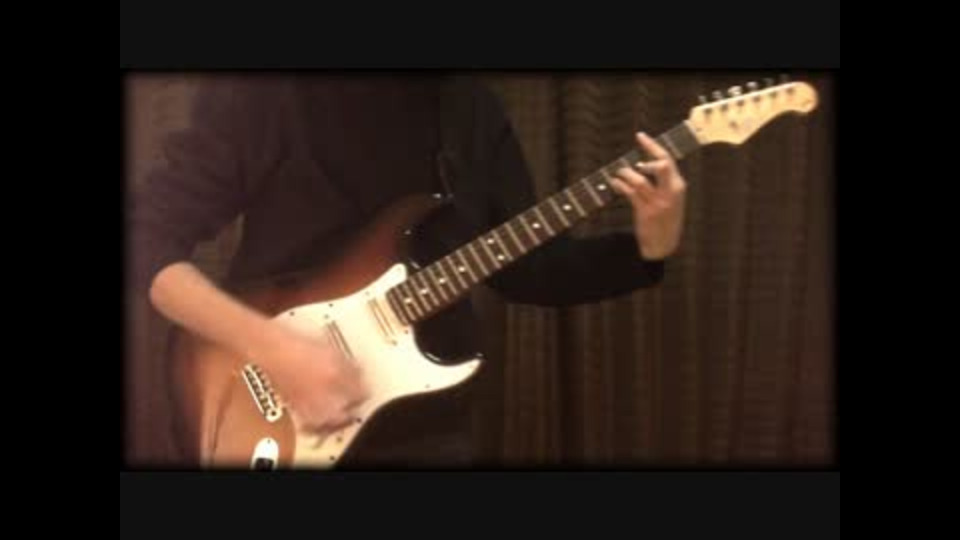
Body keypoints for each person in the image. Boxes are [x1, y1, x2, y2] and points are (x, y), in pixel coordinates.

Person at [129, 72, 688, 468]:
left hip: (425, 427)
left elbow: (528, 271)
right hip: (264, 404)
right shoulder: (270, 92)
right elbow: (146, 239)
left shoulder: (469, 108)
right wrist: (275, 349)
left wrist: (648, 250)